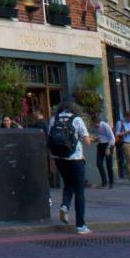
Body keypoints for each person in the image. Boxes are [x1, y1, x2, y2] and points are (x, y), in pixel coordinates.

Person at [50, 98, 92, 234]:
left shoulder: (54, 119)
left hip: (59, 159)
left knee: (68, 184)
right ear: (74, 107)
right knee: (79, 191)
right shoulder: (77, 120)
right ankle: (81, 225)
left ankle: (64, 205)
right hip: (75, 159)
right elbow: (87, 141)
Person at [94, 114, 116, 188]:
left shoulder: (105, 126)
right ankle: (104, 181)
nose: (95, 125)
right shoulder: (95, 127)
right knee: (99, 163)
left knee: (109, 164)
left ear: (99, 122)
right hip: (100, 145)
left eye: (96, 124)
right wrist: (95, 139)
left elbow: (112, 137)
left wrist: (108, 147)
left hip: (108, 145)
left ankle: (111, 182)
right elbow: (99, 136)